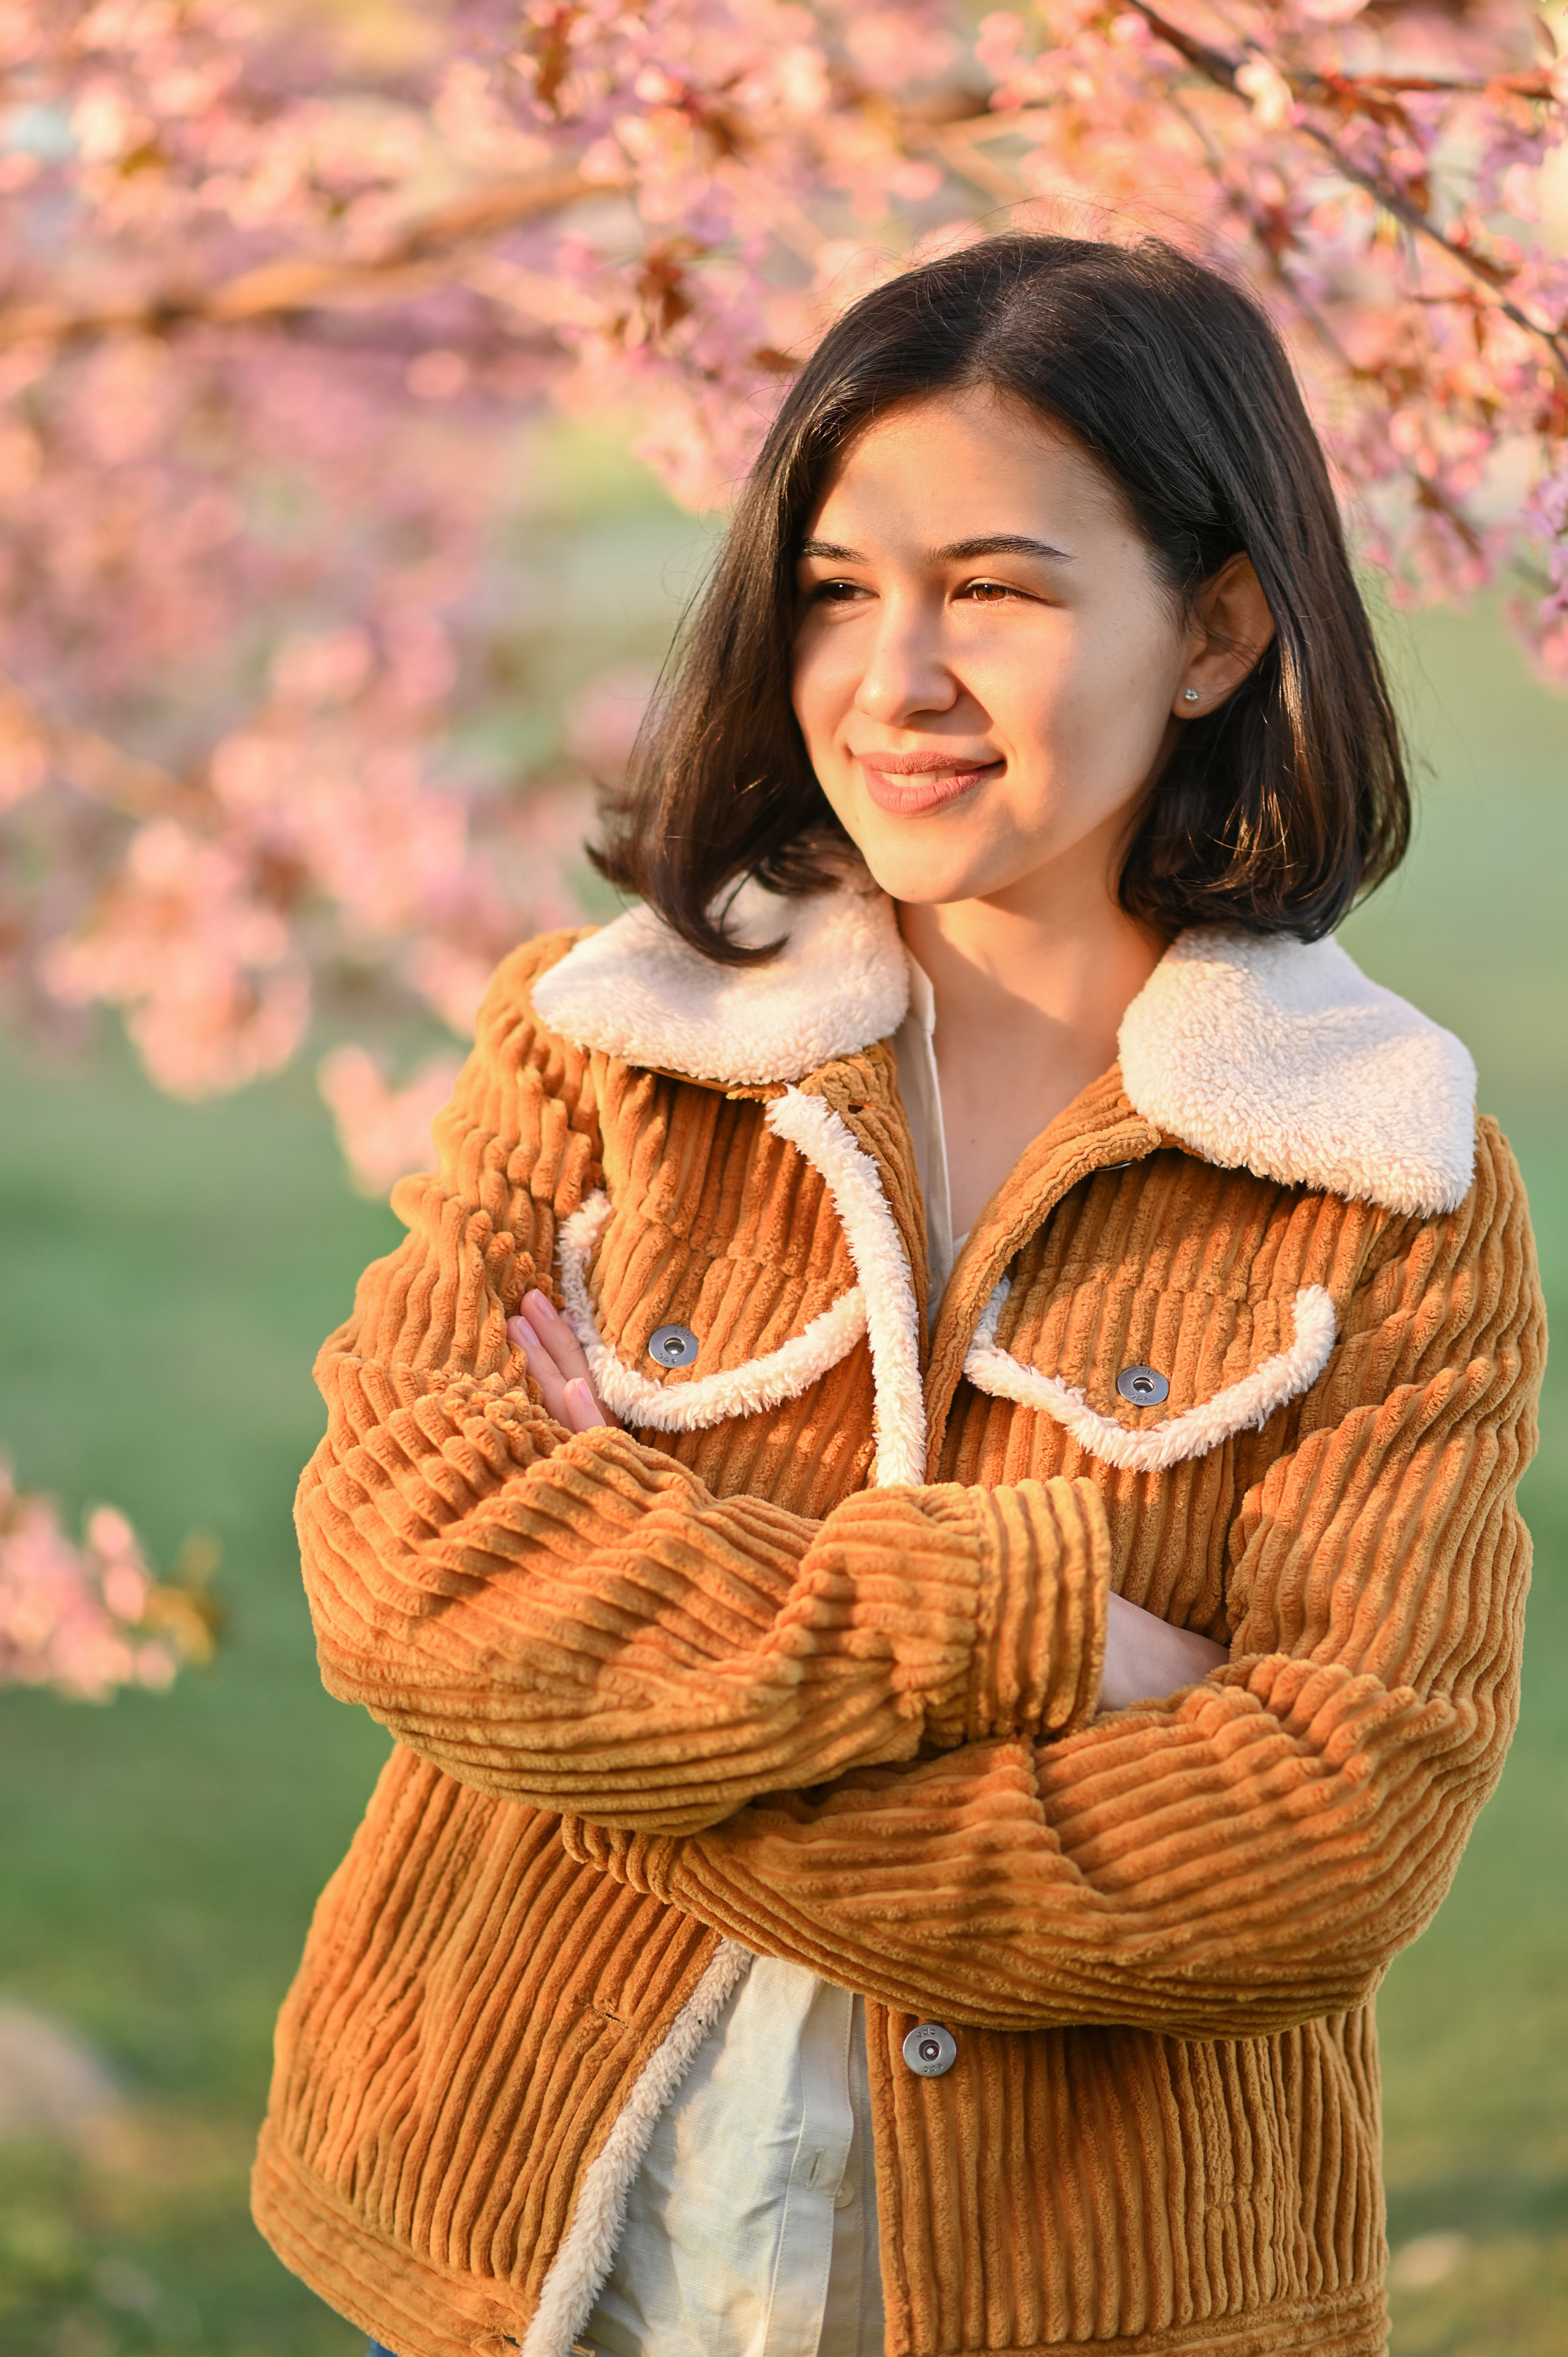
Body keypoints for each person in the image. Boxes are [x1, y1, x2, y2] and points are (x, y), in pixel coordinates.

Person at [252, 235, 1544, 2357]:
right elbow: (403, 1569)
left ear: (1219, 629)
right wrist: (1045, 1629)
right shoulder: (609, 1049)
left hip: (1092, 2292)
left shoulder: (1381, 1178)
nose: (892, 680)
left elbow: (1330, 1837)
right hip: (549, 2261)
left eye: (1001, 592)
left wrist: (632, 1701)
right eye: (841, 588)